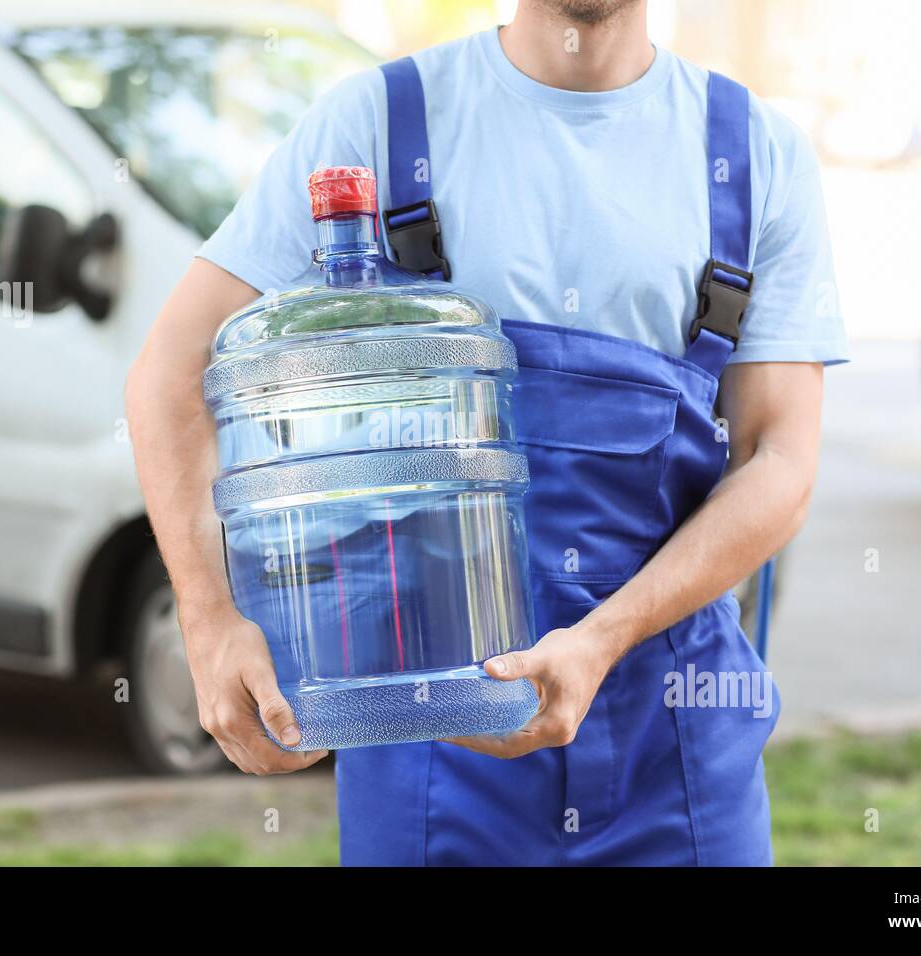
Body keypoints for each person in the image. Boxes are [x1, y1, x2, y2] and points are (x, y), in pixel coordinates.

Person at [125, 0, 848, 865]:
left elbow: (781, 459)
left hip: (678, 742)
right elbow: (168, 375)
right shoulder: (381, 123)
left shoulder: (754, 152)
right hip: (428, 736)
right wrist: (210, 624)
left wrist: (600, 640)